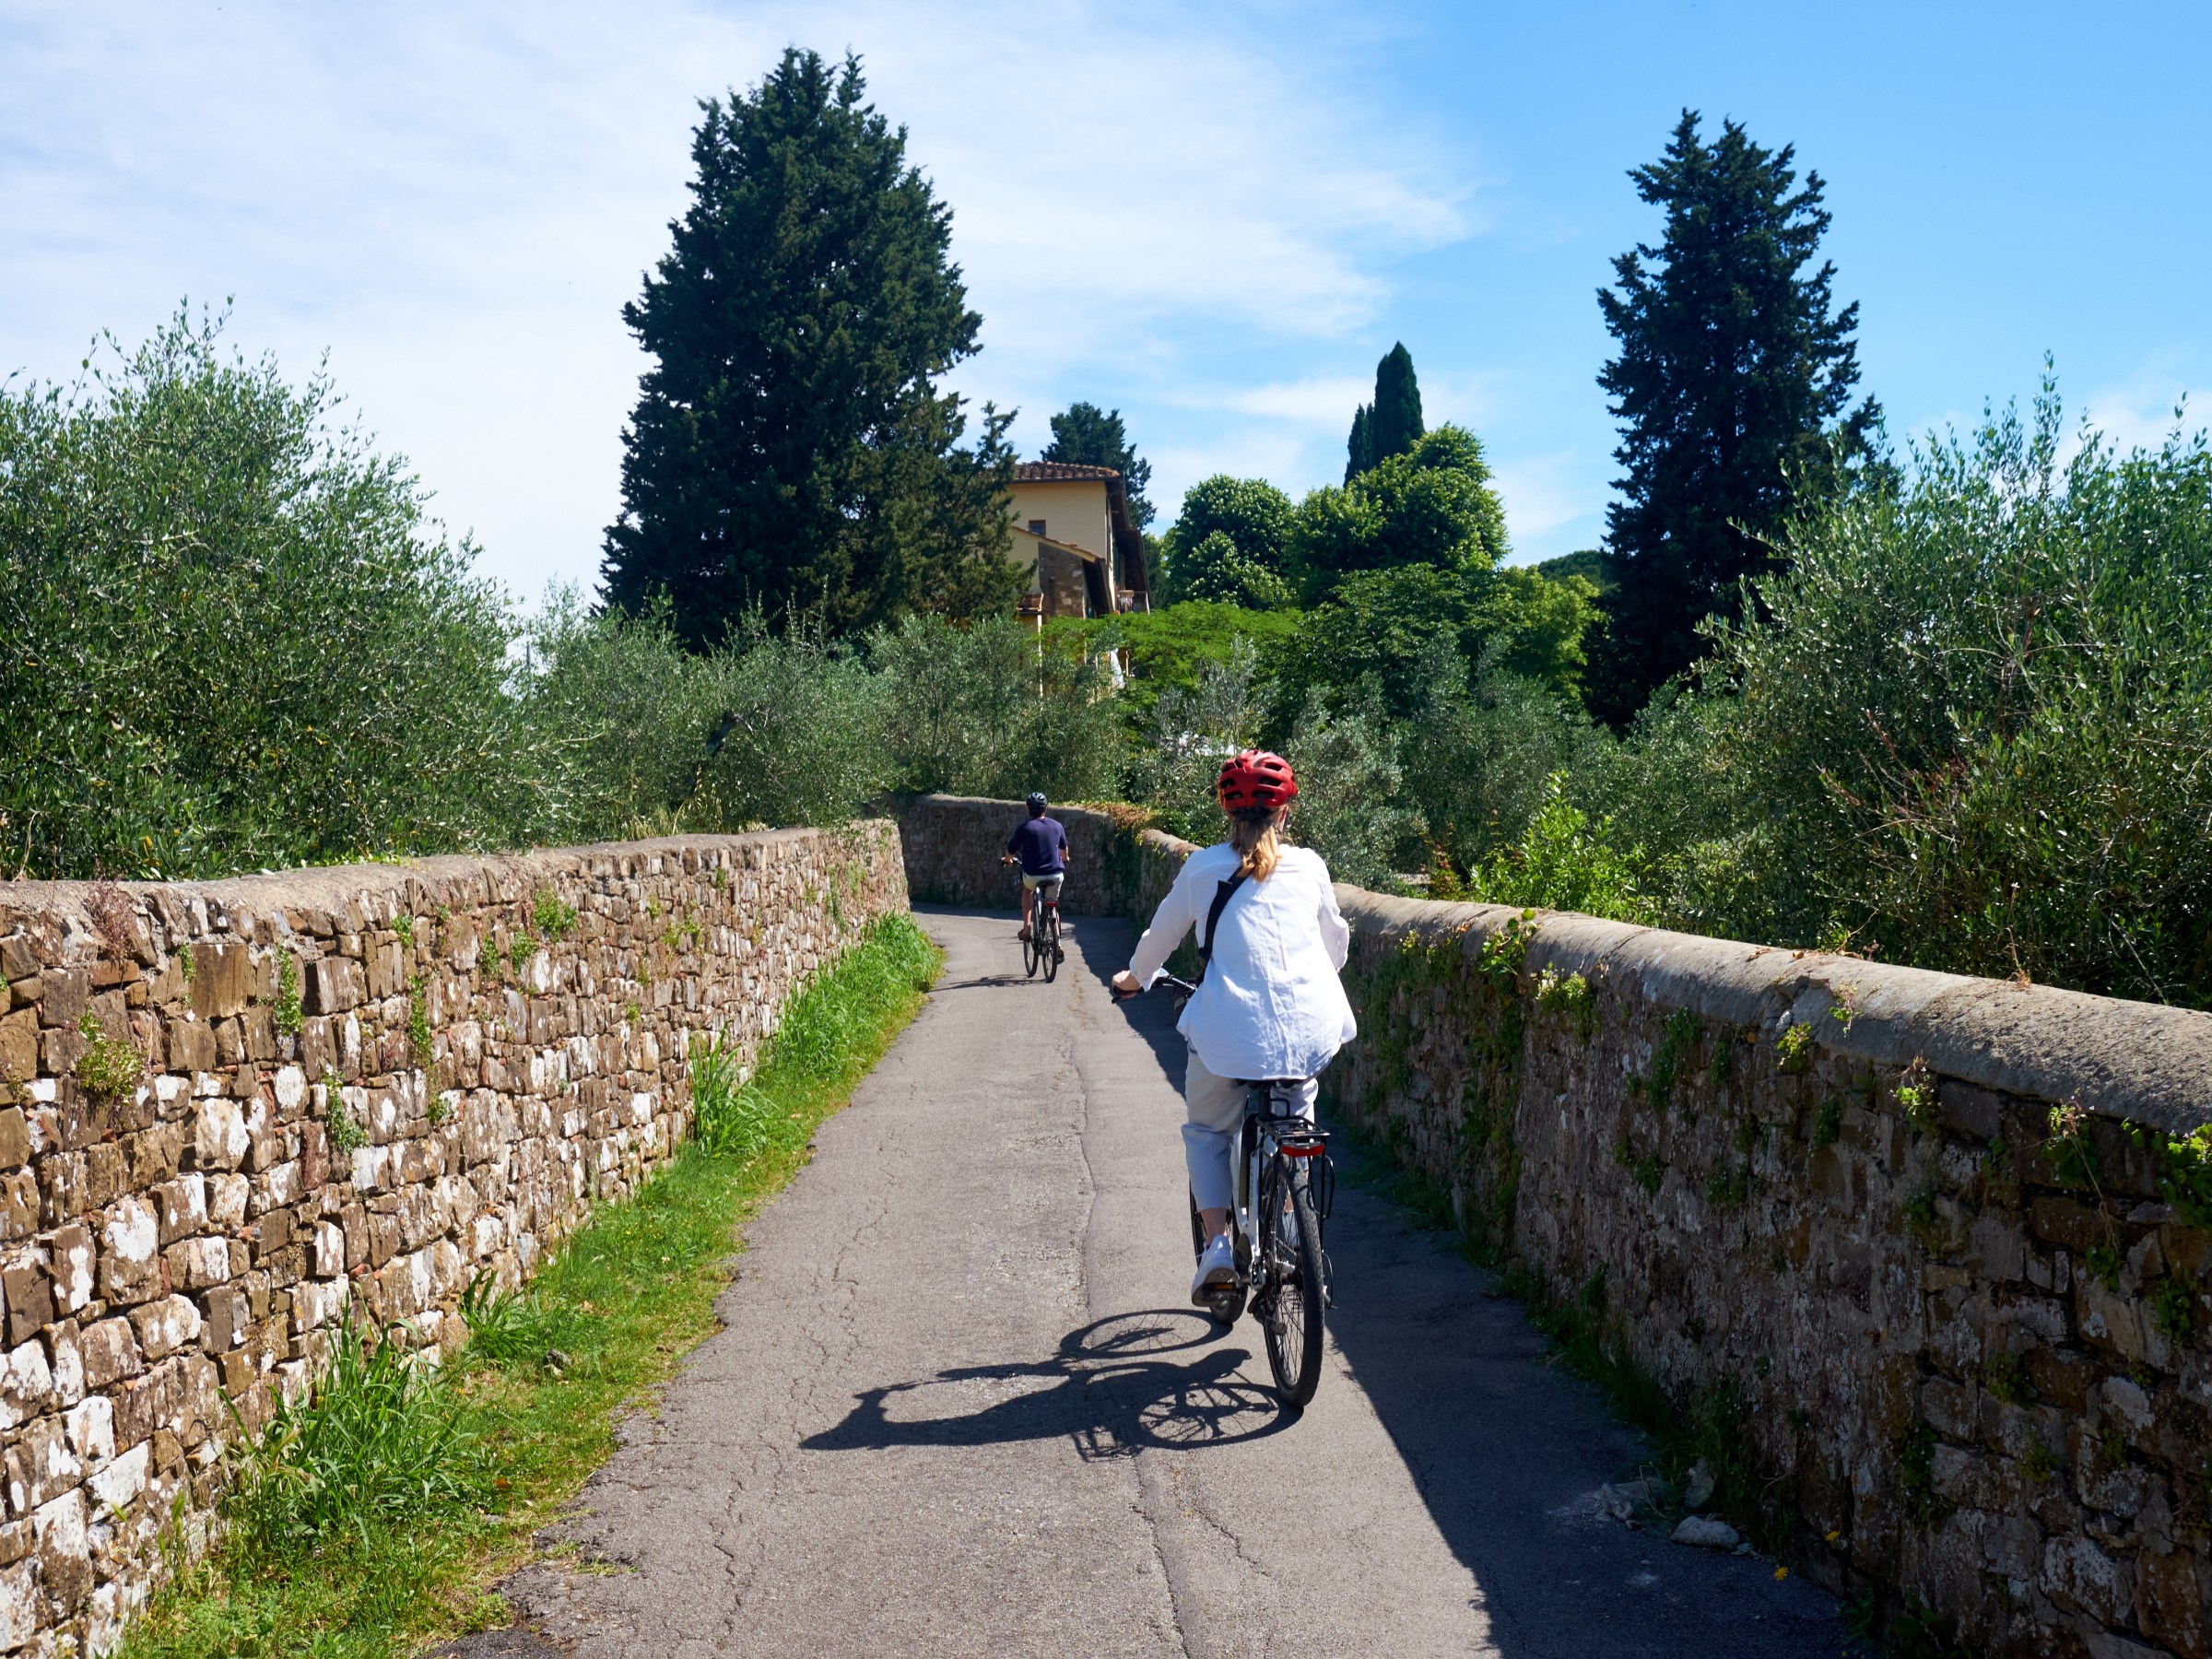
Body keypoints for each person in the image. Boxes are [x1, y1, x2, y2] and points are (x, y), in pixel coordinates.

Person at [1111, 750, 1356, 1305]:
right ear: (1285, 813)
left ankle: (1218, 1247)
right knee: (1296, 1123)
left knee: (1208, 1132)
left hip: (1228, 1034)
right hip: (1306, 1029)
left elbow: (1160, 938)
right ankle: (1294, 1226)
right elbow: (1334, 945)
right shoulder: (1311, 866)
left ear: (1227, 813)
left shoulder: (1201, 868)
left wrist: (1134, 979)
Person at [1000, 792, 1070, 943]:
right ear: (1046, 807)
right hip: (1055, 875)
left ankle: (1027, 928)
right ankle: (1057, 943)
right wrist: (1065, 859)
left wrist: (1007, 860)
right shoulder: (1057, 826)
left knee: (1027, 892)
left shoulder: (1024, 828)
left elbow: (1011, 850)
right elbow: (1064, 849)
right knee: (1053, 902)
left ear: (1027, 808)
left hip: (1032, 875)